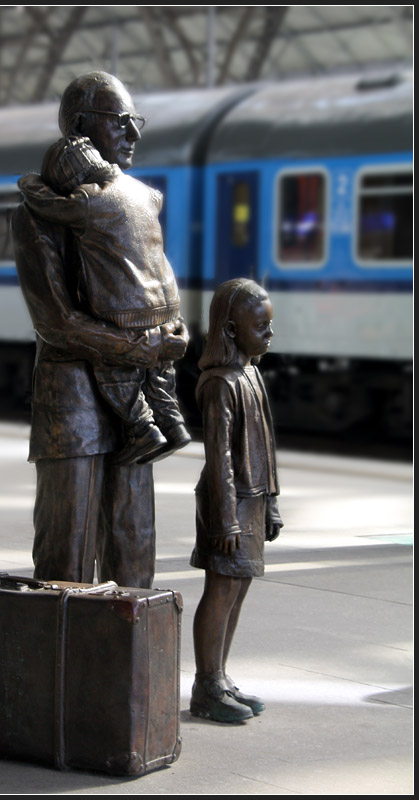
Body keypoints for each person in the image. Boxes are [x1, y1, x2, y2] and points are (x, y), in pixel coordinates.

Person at [10, 71, 189, 588]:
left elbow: (153, 283)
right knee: (68, 548)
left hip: (133, 385)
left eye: (137, 122)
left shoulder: (135, 202)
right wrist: (146, 348)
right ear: (83, 127)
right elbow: (58, 323)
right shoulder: (37, 214)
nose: (134, 135)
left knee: (134, 540)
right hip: (72, 398)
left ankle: (130, 663)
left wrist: (168, 335)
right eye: (123, 122)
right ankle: (61, 666)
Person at [19, 134, 191, 466]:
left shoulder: (89, 199)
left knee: (118, 376)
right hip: (167, 307)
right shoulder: (145, 193)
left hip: (129, 310)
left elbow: (53, 206)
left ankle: (144, 430)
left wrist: (31, 186)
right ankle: (173, 422)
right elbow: (155, 198)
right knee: (158, 374)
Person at [189, 278, 284, 724]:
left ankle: (221, 679)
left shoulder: (251, 373)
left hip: (252, 500)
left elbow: (266, 443)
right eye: (260, 325)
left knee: (239, 589)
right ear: (230, 330)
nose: (269, 333)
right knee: (221, 589)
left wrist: (273, 502)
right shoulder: (219, 384)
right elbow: (219, 457)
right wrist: (225, 520)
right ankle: (206, 686)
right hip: (228, 505)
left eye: (269, 324)